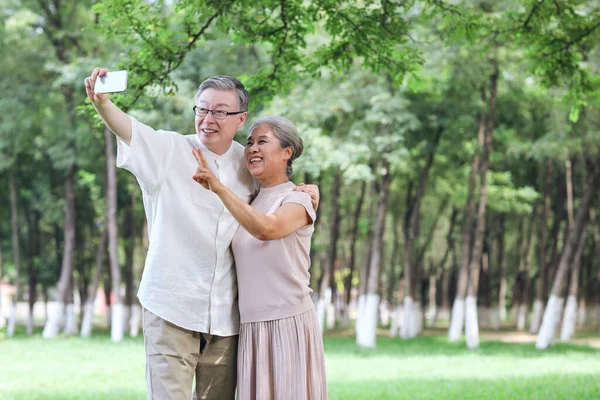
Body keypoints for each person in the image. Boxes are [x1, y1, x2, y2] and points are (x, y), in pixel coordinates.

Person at [84, 69, 319, 400]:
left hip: (227, 316)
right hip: (171, 305)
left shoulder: (249, 163)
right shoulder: (169, 150)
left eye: (220, 111)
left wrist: (306, 192)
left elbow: (276, 201)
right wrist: (102, 103)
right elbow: (131, 131)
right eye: (202, 109)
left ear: (240, 119)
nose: (209, 118)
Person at [192, 116, 328, 400]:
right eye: (250, 142)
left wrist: (218, 187)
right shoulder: (250, 200)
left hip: (287, 323)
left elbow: (267, 229)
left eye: (262, 141)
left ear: (287, 152)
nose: (252, 148)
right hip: (251, 328)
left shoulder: (298, 199)